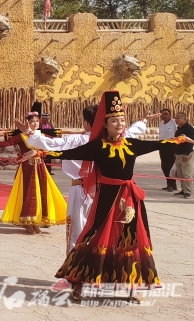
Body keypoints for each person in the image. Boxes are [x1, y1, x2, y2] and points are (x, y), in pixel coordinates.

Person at [44, 91, 194, 301]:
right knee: (93, 237)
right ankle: (78, 282)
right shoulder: (98, 146)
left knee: (129, 241)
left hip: (130, 200)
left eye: (122, 120)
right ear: (105, 123)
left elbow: (158, 144)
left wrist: (179, 139)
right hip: (106, 197)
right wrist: (41, 153)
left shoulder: (131, 144)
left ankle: (132, 285)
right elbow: (70, 153)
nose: (120, 123)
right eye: (115, 120)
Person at [21, 107, 152, 252]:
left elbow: (48, 143)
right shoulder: (114, 140)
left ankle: (73, 269)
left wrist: (29, 132)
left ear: (87, 122)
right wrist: (144, 121)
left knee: (76, 232)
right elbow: (134, 130)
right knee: (103, 230)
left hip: (80, 189)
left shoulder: (78, 140)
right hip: (105, 190)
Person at [0, 110, 67, 234]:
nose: (35, 123)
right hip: (27, 168)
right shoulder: (21, 137)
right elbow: (5, 143)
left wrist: (39, 152)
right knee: (29, 194)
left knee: (41, 193)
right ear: (27, 123)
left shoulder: (41, 136)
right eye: (32, 122)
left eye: (37, 121)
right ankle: (26, 222)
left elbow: (49, 149)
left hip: (40, 167)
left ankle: (35, 221)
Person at [173, 113, 194, 198]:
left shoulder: (189, 129)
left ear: (184, 119)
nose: (176, 120)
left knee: (186, 174)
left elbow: (190, 142)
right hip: (178, 154)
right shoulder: (179, 129)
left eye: (178, 118)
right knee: (180, 174)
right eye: (175, 118)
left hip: (186, 154)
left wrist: (186, 154)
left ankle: (188, 191)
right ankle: (183, 189)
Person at [158, 109, 177, 191]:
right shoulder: (161, 124)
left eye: (166, 114)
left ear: (170, 114)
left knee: (170, 166)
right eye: (162, 114)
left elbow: (177, 134)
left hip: (172, 145)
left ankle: (172, 184)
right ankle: (169, 183)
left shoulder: (174, 122)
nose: (164, 116)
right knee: (164, 166)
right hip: (162, 145)